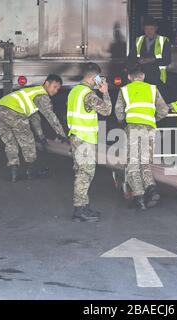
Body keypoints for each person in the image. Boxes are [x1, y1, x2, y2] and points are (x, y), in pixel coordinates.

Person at [0, 74, 68, 182]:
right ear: (46, 83)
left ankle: (14, 171)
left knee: (10, 141)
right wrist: (62, 135)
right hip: (14, 111)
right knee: (28, 141)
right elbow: (51, 116)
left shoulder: (33, 92)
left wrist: (41, 136)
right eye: (54, 86)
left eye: (58, 88)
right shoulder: (42, 95)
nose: (56, 90)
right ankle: (31, 170)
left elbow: (35, 118)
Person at [115, 65, 169, 210]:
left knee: (133, 164)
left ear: (129, 77)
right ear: (143, 76)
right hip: (150, 129)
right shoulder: (153, 89)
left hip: (133, 128)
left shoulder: (125, 90)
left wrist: (124, 122)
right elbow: (164, 110)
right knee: (145, 163)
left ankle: (138, 198)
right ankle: (151, 188)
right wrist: (152, 119)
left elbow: (119, 113)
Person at [67, 62, 112, 222]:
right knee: (85, 174)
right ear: (94, 77)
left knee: (81, 172)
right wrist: (105, 92)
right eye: (98, 78)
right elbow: (106, 111)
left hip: (75, 137)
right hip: (85, 139)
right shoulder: (88, 94)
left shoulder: (74, 91)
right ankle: (79, 210)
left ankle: (83, 206)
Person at [127, 16, 171, 95]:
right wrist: (138, 61)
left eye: (151, 29)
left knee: (156, 99)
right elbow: (131, 58)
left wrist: (152, 60)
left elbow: (167, 60)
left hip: (157, 77)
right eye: (146, 29)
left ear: (156, 28)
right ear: (144, 29)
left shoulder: (164, 41)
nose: (149, 31)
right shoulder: (138, 40)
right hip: (140, 77)